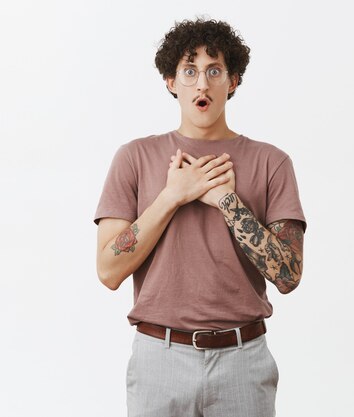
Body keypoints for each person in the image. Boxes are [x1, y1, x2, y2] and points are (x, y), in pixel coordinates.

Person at [93, 18, 306, 417]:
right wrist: (172, 196)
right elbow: (108, 271)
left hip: (244, 362)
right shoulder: (134, 158)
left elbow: (289, 275)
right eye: (190, 71)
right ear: (171, 82)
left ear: (234, 81)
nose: (202, 84)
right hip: (159, 359)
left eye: (214, 71)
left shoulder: (272, 162)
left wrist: (228, 201)